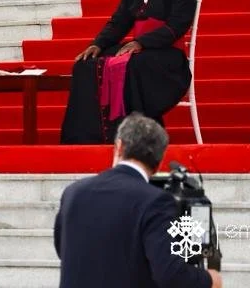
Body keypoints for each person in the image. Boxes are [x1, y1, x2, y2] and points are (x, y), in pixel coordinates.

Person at [61, 0, 197, 144]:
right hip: (138, 51)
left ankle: (137, 137)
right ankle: (89, 139)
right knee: (85, 64)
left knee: (131, 65)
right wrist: (97, 44)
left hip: (167, 56)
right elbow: (120, 21)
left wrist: (141, 42)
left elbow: (177, 26)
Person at [54, 114, 222, 288]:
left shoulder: (73, 192)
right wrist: (210, 279)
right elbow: (169, 272)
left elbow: (63, 250)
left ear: (119, 147)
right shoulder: (155, 201)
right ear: (158, 162)